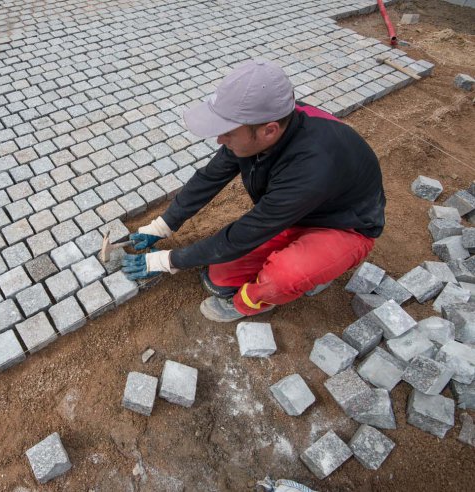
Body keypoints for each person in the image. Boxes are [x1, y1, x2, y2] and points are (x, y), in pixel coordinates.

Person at [122, 59, 386, 323]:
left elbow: (241, 237)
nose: (219, 139)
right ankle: (301, 262)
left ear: (268, 131)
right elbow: (210, 178)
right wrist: (162, 225)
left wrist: (167, 261)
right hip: (297, 213)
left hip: (343, 227)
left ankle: (250, 303)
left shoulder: (313, 166)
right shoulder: (261, 127)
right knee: (219, 278)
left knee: (282, 278)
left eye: (227, 133)